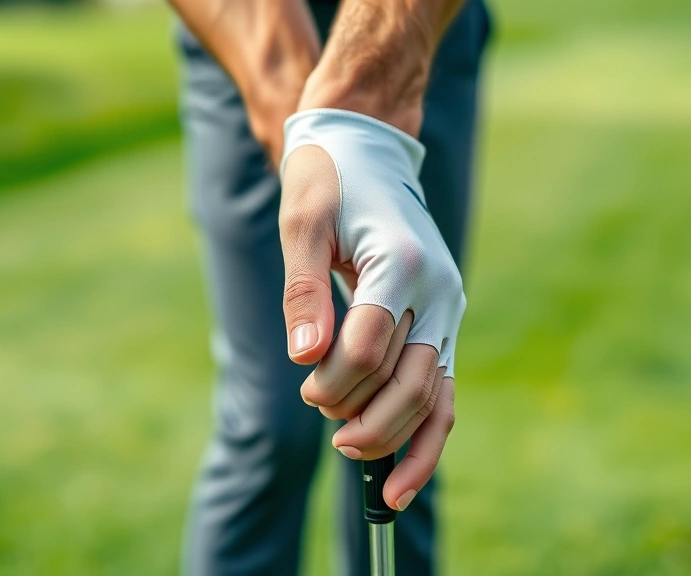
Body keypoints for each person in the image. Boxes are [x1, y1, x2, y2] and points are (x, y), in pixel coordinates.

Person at [167, 0, 490, 573]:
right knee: (271, 424)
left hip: (426, 29)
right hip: (235, 28)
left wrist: (369, 90)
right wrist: (312, 118)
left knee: (401, 400)